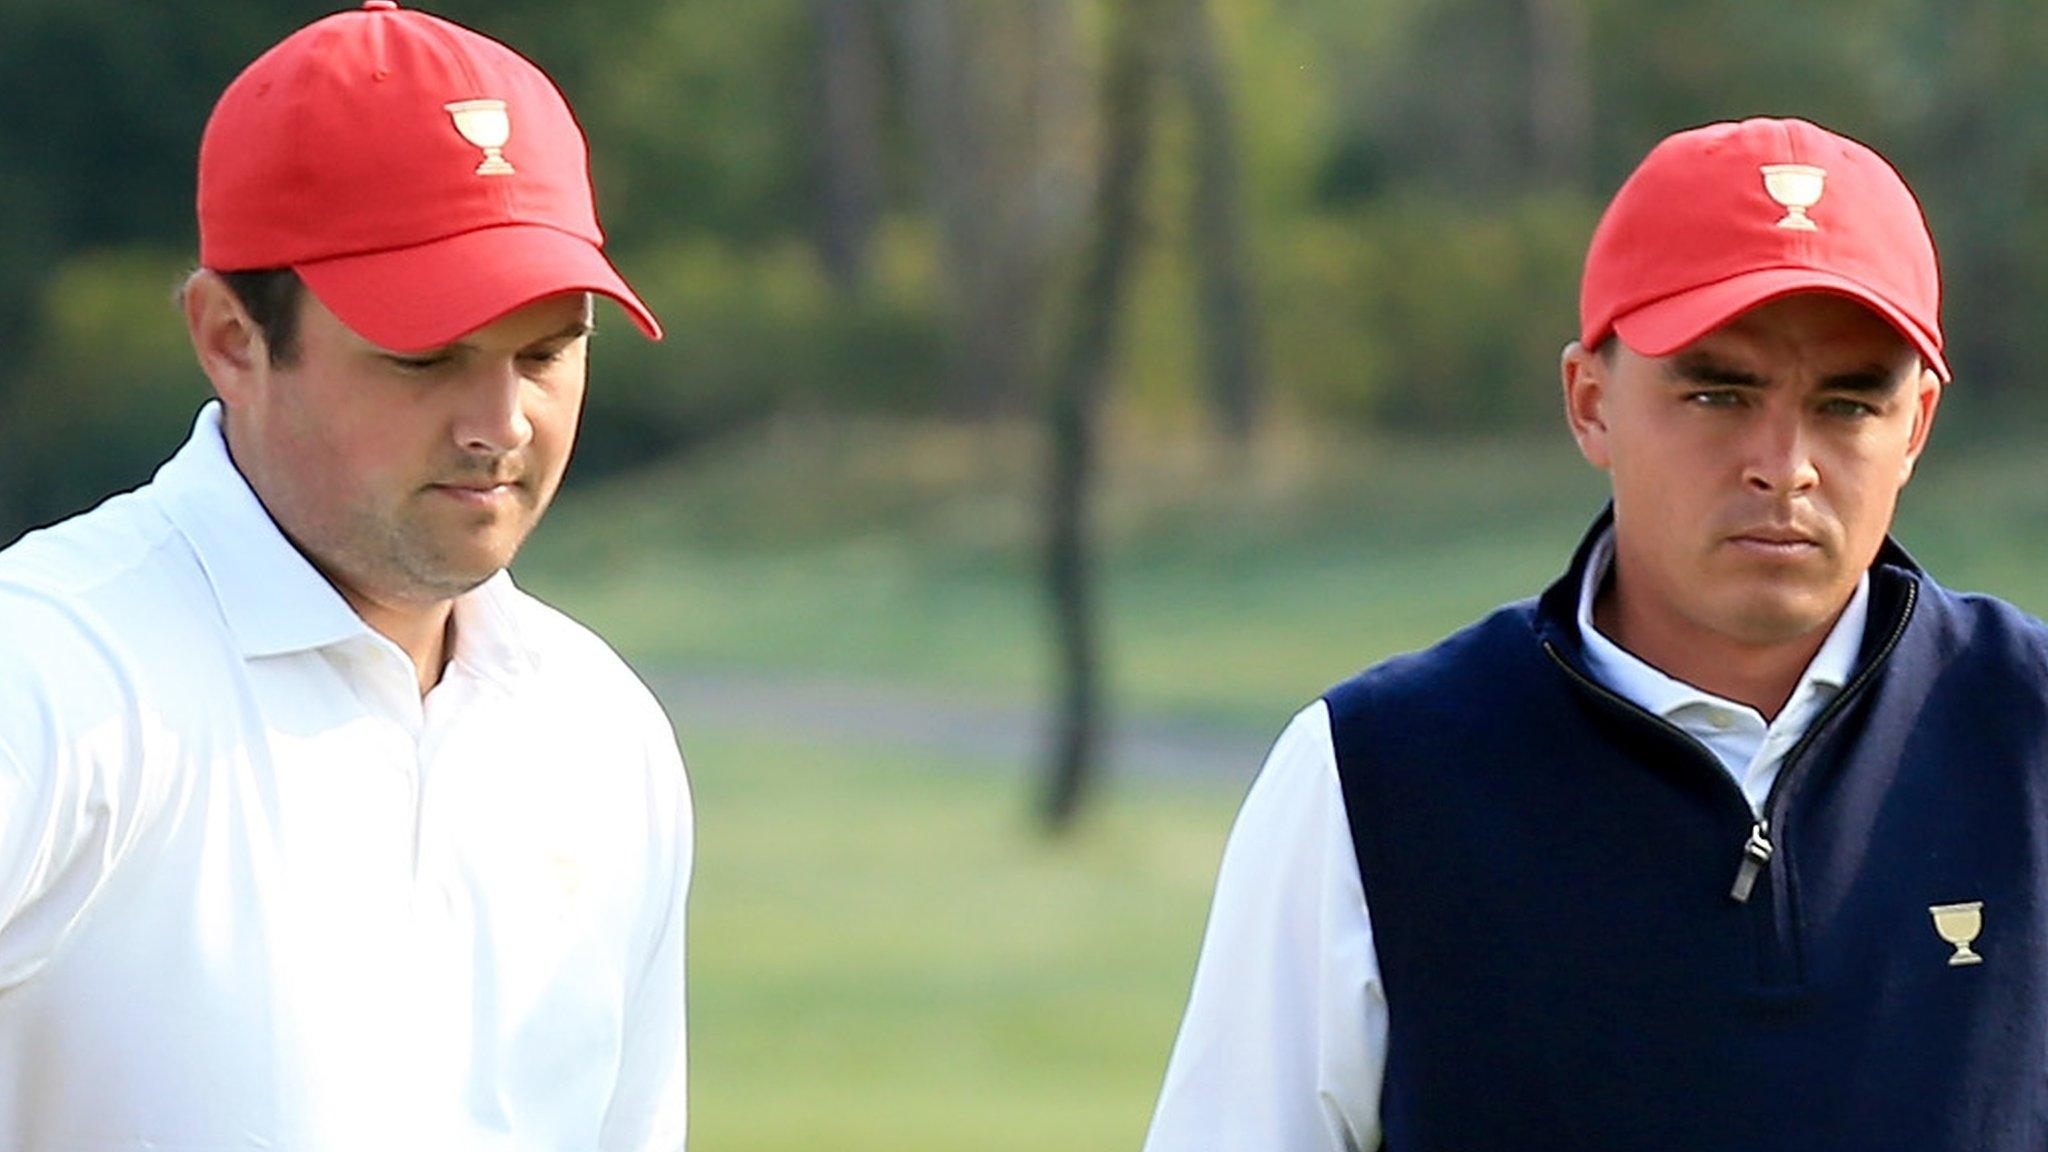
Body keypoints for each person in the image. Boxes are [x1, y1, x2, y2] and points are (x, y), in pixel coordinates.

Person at [1145, 117, 2048, 1150]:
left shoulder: (2026, 735)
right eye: (1717, 391)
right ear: (1589, 403)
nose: (1783, 464)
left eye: (1846, 405)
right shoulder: (1370, 774)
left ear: (1916, 428)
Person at [0, 4, 689, 1148]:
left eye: (545, 352)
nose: (499, 424)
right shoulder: (49, 675)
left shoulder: (603, 731)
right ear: (230, 337)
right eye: (425, 357)